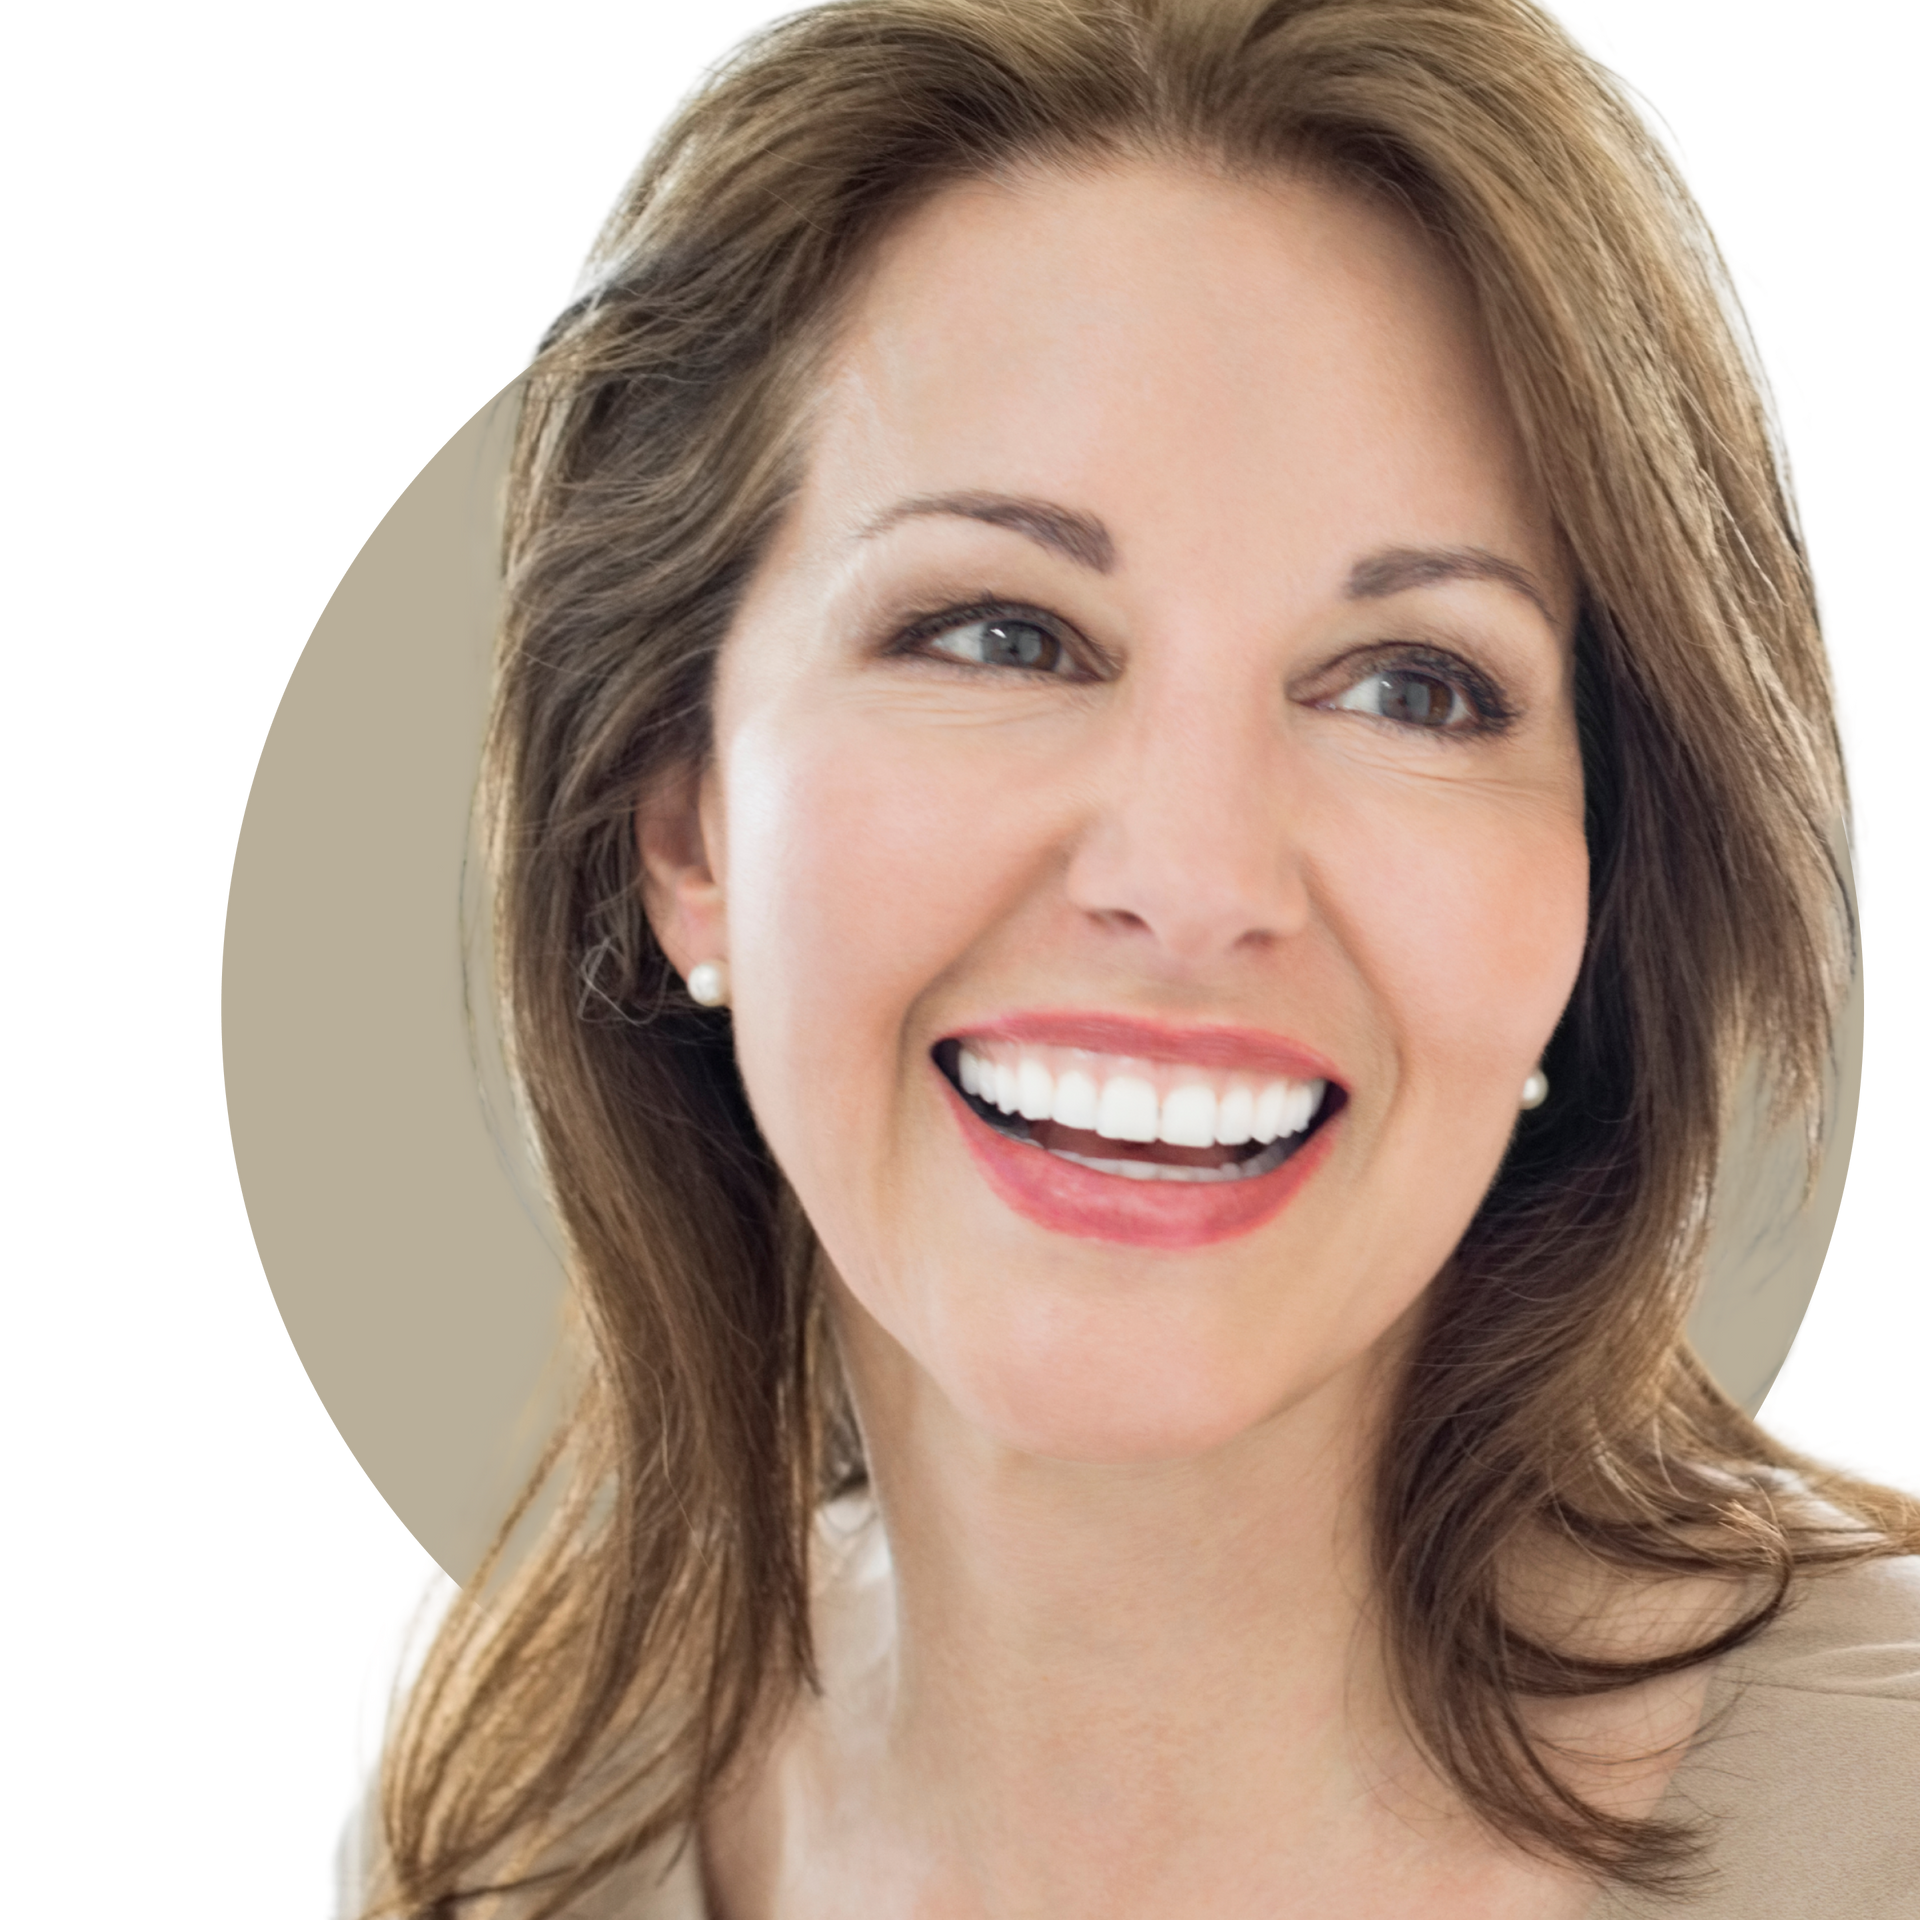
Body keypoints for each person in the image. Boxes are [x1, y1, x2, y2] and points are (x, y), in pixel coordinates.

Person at [324, 2, 1916, 1915]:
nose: (1192, 876)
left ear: (1592, 896)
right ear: (686, 827)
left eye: (1416, 686)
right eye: (1001, 634)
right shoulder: (496, 1832)